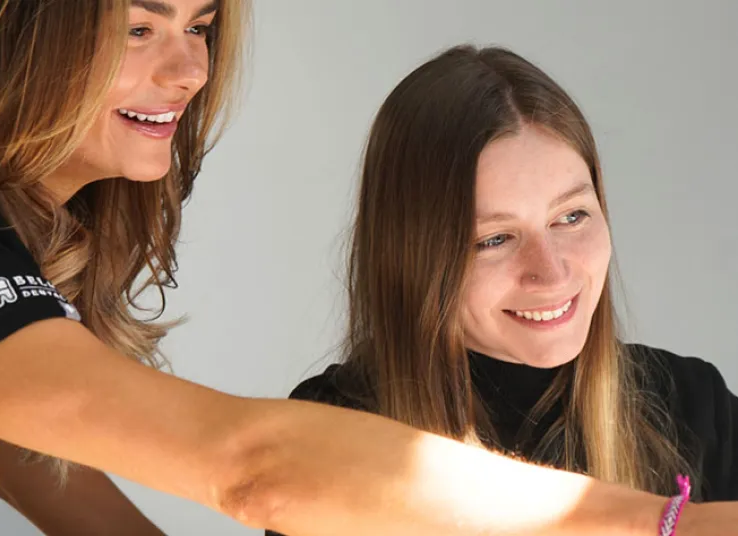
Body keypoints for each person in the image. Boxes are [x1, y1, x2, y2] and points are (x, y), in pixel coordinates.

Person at [0, 0, 735, 533]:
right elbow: (254, 469)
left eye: (199, 28)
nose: (191, 71)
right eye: (140, 30)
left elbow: (20, 452)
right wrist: (662, 527)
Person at [268, 44, 738, 535]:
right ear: (412, 255)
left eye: (571, 216)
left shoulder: (693, 402)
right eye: (494, 239)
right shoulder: (329, 432)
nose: (552, 273)